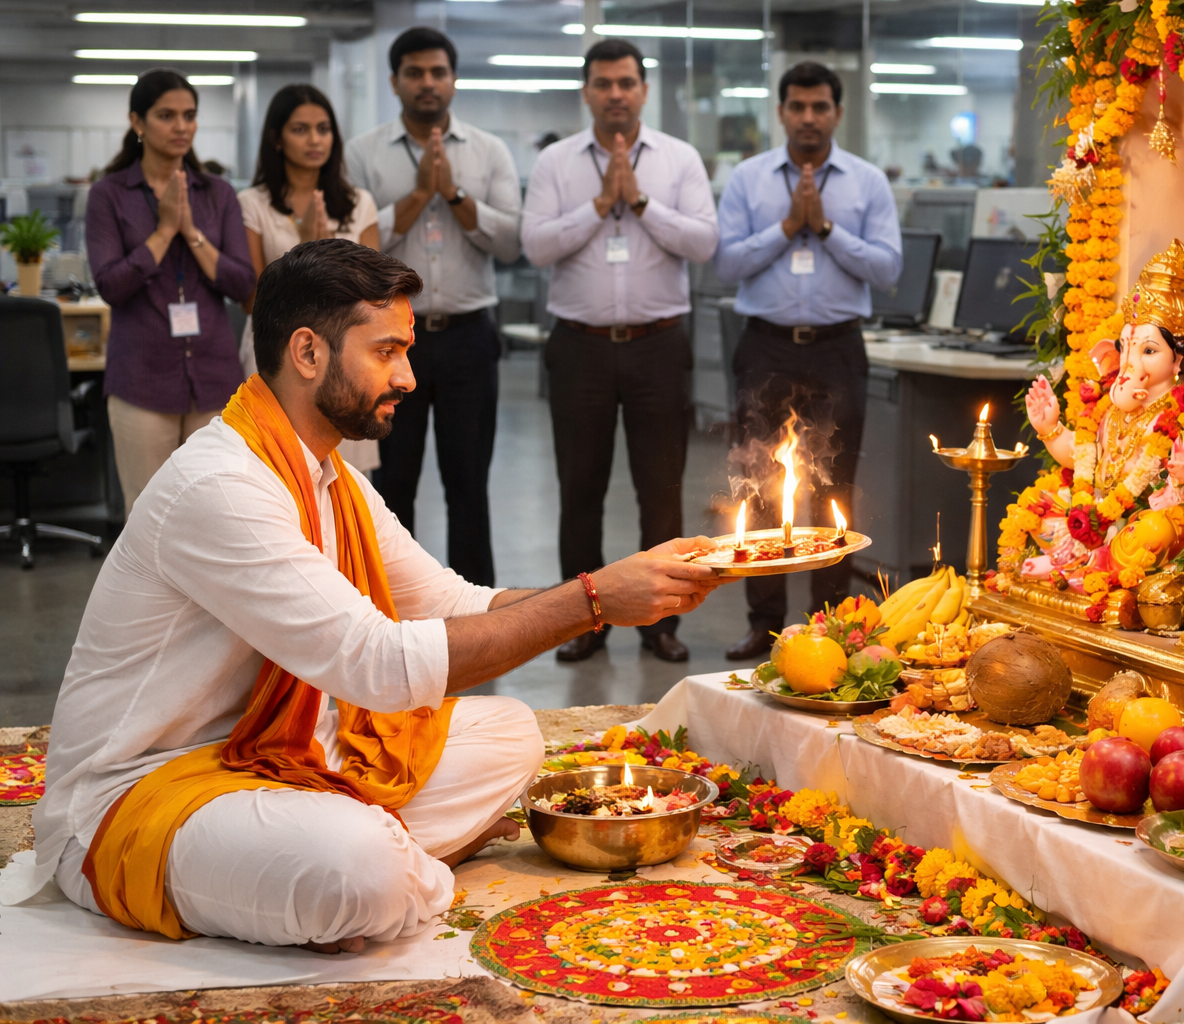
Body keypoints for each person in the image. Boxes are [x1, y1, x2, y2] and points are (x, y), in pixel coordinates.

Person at [0, 239, 724, 951]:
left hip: (271, 761)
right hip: (138, 794)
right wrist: (594, 601)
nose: (409, 376)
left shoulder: (332, 478)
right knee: (359, 867)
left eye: (406, 350)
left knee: (510, 734)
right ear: (308, 353)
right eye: (386, 352)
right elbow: (375, 666)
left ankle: (341, 865)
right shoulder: (222, 486)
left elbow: (452, 602)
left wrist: (628, 584)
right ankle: (381, 873)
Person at [522, 39, 719, 664]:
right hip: (578, 347)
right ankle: (585, 622)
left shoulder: (679, 159)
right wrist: (599, 206)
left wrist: (639, 202)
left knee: (660, 488)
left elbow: (704, 242)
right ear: (586, 91)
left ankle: (662, 623)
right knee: (580, 486)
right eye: (603, 83)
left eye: (626, 83)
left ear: (643, 90)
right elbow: (536, 245)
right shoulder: (556, 162)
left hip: (658, 346)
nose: (615, 94)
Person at [714, 62, 902, 660]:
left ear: (837, 114)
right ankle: (765, 623)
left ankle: (828, 629)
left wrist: (823, 229)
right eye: (797, 107)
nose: (808, 118)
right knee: (762, 484)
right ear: (781, 112)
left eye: (820, 107)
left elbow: (888, 269)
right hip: (764, 345)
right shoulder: (748, 178)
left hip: (837, 347)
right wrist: (787, 227)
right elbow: (725, 264)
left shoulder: (868, 182)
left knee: (832, 487)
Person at [348, 26, 523, 586]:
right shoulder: (364, 154)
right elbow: (352, 252)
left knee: (468, 483)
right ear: (395, 81)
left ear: (453, 79)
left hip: (469, 338)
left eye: (438, 72)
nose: (428, 83)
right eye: (415, 73)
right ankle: (390, 606)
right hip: (389, 344)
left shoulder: (489, 151)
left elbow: (511, 244)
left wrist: (454, 195)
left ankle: (476, 609)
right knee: (392, 483)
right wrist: (419, 194)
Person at [86, 69, 256, 517]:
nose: (182, 126)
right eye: (166, 116)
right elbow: (110, 286)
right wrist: (163, 233)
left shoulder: (217, 194)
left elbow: (243, 284)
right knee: (148, 518)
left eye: (190, 115)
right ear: (137, 122)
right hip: (141, 378)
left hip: (215, 376)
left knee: (220, 515)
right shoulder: (109, 195)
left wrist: (194, 236)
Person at [239, 83, 382, 472]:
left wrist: (322, 263)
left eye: (323, 128)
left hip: (347, 352)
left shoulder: (359, 203)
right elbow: (251, 300)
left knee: (345, 481)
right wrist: (299, 259)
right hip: (278, 355)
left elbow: (375, 295)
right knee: (277, 470)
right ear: (277, 139)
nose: (314, 139)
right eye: (300, 129)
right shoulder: (253, 204)